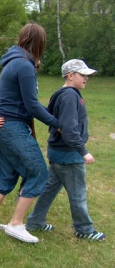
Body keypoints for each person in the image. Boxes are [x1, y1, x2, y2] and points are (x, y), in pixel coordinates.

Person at [0, 22, 59, 244]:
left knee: (8, 172)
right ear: (39, 42)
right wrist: (56, 122)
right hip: (13, 127)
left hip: (4, 125)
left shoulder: (14, 62)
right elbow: (31, 105)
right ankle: (16, 224)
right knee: (39, 172)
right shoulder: (24, 65)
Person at [26, 59, 105, 241]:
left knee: (49, 190)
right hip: (68, 154)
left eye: (87, 75)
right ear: (71, 75)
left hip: (57, 152)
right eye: (82, 75)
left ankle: (35, 222)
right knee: (78, 193)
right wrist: (82, 151)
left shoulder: (61, 94)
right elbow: (68, 128)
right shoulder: (70, 96)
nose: (86, 78)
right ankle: (84, 229)